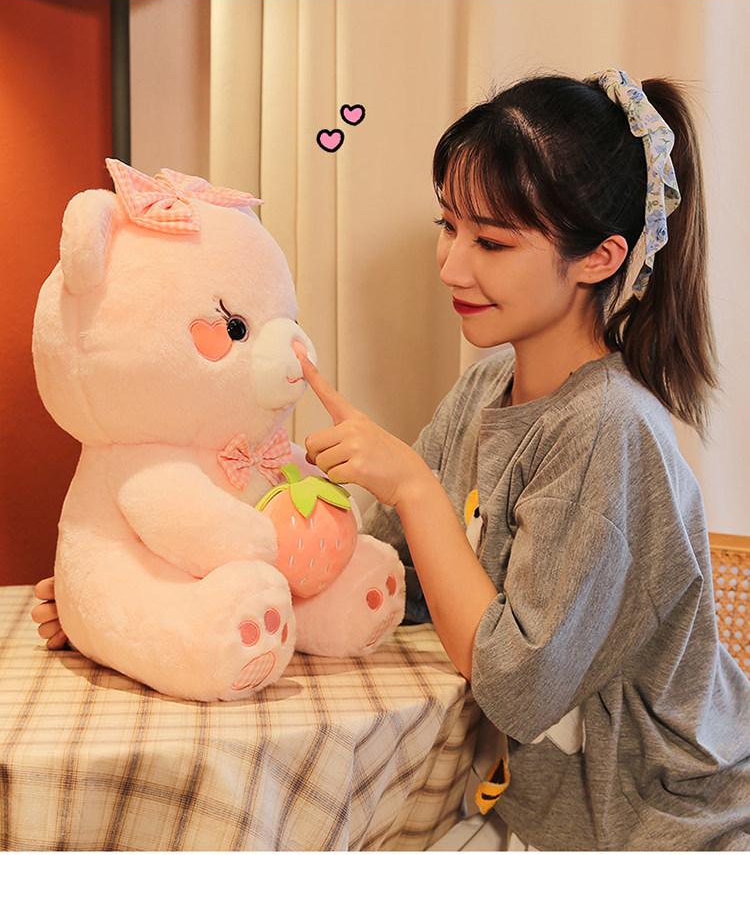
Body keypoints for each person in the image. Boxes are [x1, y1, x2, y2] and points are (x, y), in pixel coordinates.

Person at [33, 70, 750, 851]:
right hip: (526, 810)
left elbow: (518, 688)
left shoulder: (610, 428)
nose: (451, 265)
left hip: (665, 831)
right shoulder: (485, 389)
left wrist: (414, 485)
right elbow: (382, 578)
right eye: (450, 225)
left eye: (491, 242)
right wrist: (136, 599)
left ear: (599, 258)